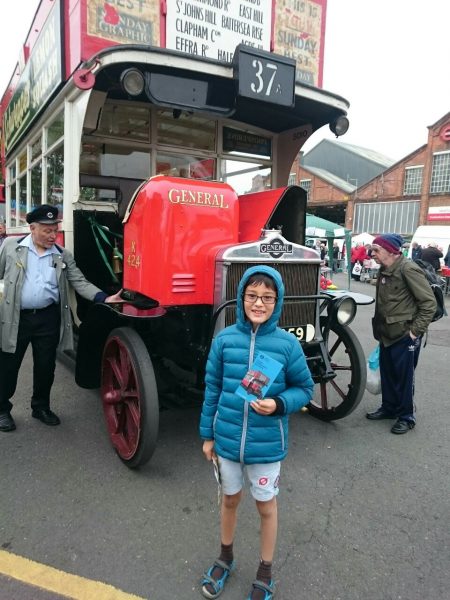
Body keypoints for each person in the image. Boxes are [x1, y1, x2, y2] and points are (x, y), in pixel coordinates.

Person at [199, 265, 314, 600]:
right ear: (241, 298)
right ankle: (225, 556)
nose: (259, 303)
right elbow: (212, 389)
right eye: (252, 296)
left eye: (267, 297)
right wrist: (208, 435)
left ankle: (265, 570)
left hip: (266, 446)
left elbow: (304, 388)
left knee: (266, 506)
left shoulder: (287, 345)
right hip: (228, 440)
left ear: (277, 302)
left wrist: (278, 404)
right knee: (230, 500)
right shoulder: (224, 339)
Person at [0, 204, 123, 432]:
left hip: (48, 318)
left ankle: (40, 407)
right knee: (8, 365)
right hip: (17, 317)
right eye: (47, 231)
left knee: (46, 366)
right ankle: (2, 410)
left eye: (54, 230)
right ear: (33, 228)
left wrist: (104, 298)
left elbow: (79, 282)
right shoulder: (11, 247)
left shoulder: (62, 255)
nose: (52, 235)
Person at [366, 234, 436, 434]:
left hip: (405, 335)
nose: (372, 254)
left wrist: (414, 332)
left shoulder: (408, 269)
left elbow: (428, 304)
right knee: (388, 374)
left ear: (390, 250)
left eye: (376, 250)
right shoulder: (384, 269)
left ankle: (406, 416)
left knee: (404, 378)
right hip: (386, 334)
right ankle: (389, 408)